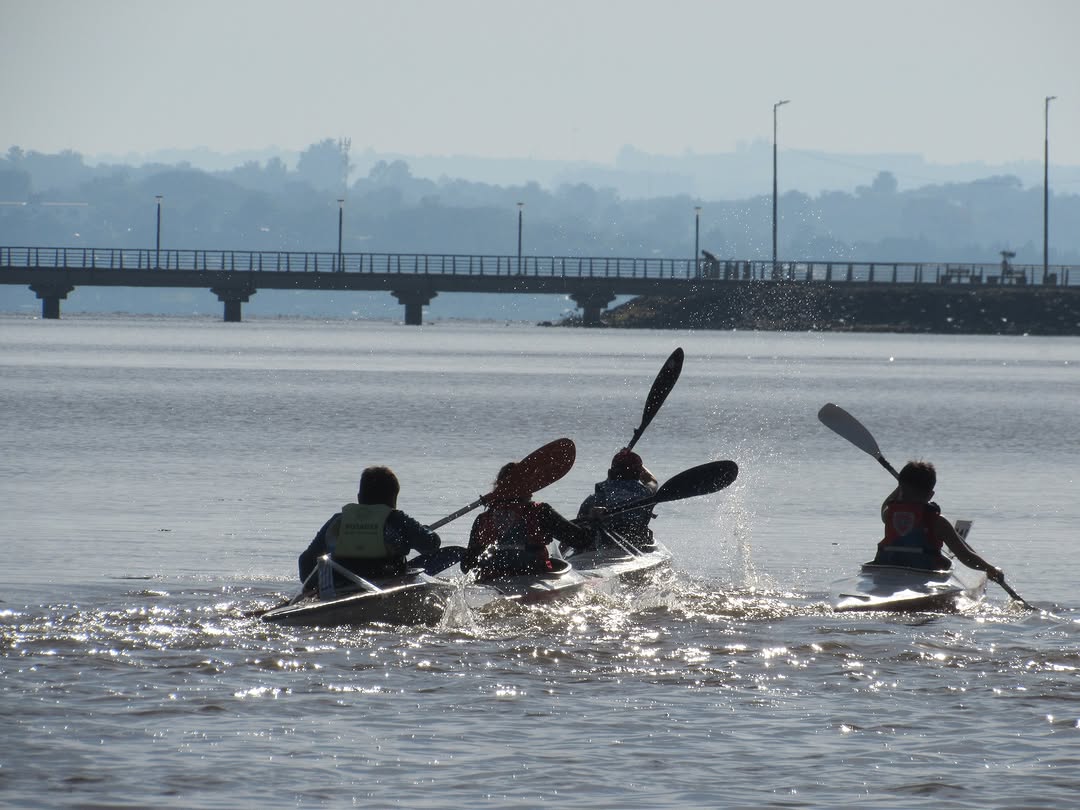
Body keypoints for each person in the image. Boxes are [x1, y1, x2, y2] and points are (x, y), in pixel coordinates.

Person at [298, 466, 442, 588]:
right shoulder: (396, 519)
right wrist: (425, 530)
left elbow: (305, 562)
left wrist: (314, 587)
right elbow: (431, 544)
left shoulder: (339, 521)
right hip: (384, 580)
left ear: (359, 497)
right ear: (393, 501)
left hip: (341, 584)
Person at [874, 460, 1003, 580]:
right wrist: (990, 569)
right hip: (925, 573)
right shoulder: (938, 522)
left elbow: (885, 506)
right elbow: (965, 556)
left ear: (900, 490)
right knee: (946, 562)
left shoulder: (889, 514)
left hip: (887, 571)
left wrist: (900, 488)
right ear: (930, 495)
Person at [463, 461, 591, 579]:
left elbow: (467, 566)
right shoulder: (540, 512)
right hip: (532, 577)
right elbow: (580, 540)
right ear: (526, 486)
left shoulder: (483, 519)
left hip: (492, 579)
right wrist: (591, 521)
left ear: (498, 487)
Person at [577, 448, 659, 549]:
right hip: (637, 542)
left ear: (609, 473)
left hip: (598, 548)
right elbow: (652, 481)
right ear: (639, 474)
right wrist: (635, 461)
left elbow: (574, 534)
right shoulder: (647, 494)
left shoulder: (592, 500)